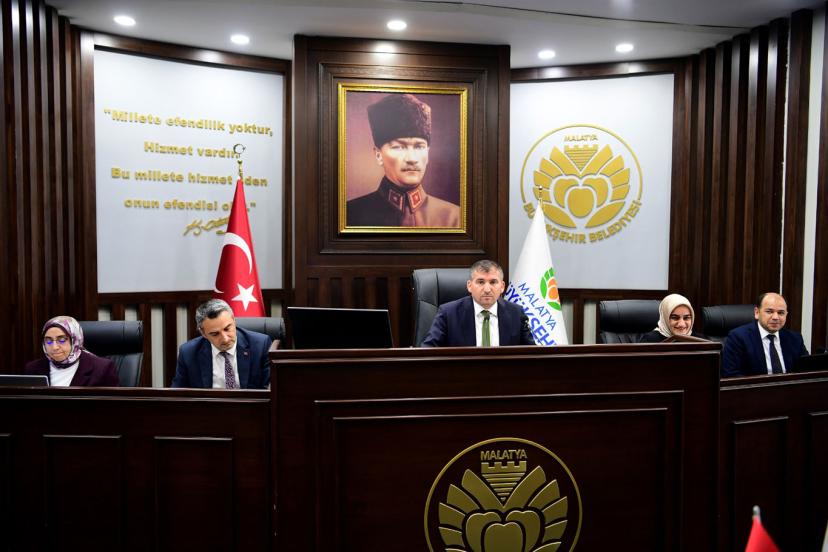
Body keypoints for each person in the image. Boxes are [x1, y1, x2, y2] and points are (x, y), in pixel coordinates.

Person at [346, 93, 460, 227]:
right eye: (399, 147)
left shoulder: (455, 218)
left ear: (428, 153)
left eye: (419, 147)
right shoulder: (349, 215)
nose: (412, 159)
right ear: (378, 155)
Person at [422, 260, 535, 347]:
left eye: (493, 282)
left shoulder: (516, 313)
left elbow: (532, 354)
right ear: (469, 286)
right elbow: (428, 351)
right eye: (480, 282)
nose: (487, 289)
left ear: (502, 286)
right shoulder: (448, 313)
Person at [171, 299, 271, 389]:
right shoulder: (188, 353)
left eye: (227, 329)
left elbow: (270, 391)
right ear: (203, 333)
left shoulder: (260, 345)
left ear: (233, 320)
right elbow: (178, 394)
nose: (225, 339)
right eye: (215, 334)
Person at [721, 292, 809, 377]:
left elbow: (807, 370)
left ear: (786, 315)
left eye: (781, 313)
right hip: (755, 387)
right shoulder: (738, 337)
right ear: (757, 313)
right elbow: (731, 374)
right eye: (769, 311)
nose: (775, 317)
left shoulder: (795, 338)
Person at [24, 316, 119, 386]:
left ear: (75, 340)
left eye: (62, 340)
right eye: (48, 341)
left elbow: (114, 404)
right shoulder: (32, 369)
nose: (54, 347)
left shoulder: (102, 369)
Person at [639, 293, 705, 343]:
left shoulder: (700, 341)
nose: (681, 324)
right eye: (675, 318)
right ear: (665, 318)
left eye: (686, 318)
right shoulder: (649, 340)